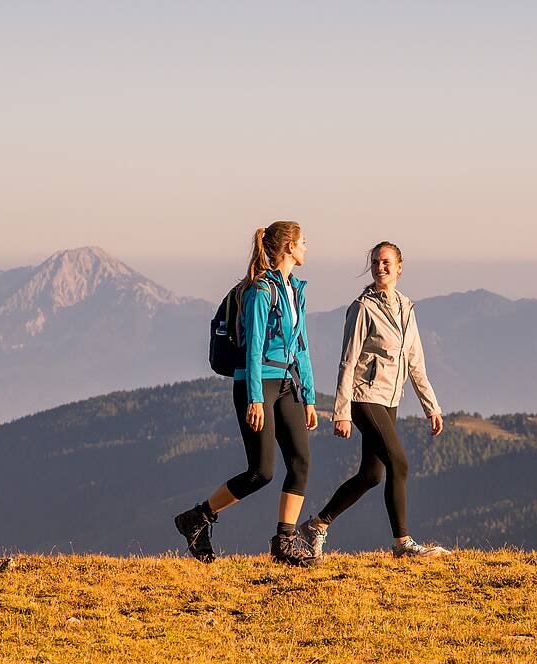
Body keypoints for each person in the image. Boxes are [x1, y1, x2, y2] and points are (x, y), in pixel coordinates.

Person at [175, 220, 320, 566]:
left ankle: (284, 542)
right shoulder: (260, 290)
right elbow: (254, 346)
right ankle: (197, 518)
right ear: (287, 248)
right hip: (257, 384)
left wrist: (310, 397)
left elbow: (301, 346)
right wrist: (255, 398)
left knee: (301, 462)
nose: (306, 247)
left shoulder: (293, 289)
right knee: (261, 472)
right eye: (302, 242)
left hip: (287, 384)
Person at [299, 241, 450, 558]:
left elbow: (416, 363)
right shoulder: (363, 308)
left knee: (371, 475)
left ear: (399, 267)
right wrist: (341, 412)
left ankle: (316, 526)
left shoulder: (407, 308)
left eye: (386, 262)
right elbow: (348, 362)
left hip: (390, 400)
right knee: (400, 463)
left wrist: (431, 407)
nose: (380, 268)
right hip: (363, 398)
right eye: (375, 263)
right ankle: (403, 544)